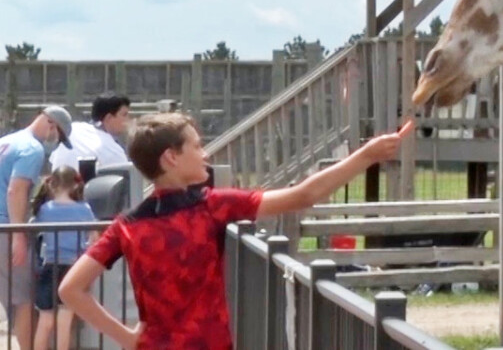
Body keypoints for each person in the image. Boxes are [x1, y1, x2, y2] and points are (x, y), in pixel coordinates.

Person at [58, 112, 406, 349]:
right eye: (196, 146)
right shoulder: (212, 206)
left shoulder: (127, 226)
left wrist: (127, 338)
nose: (204, 153)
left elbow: (70, 289)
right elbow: (304, 195)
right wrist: (366, 155)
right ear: (171, 158)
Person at [0, 106, 73, 350]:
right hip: (5, 228)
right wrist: (18, 234)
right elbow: (16, 190)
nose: (57, 142)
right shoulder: (32, 149)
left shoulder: (7, 142)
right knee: (23, 300)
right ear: (51, 124)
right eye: (59, 136)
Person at [31, 167, 96, 350]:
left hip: (50, 266)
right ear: (75, 185)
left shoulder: (44, 209)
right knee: (64, 321)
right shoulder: (84, 209)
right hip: (73, 268)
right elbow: (94, 238)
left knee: (45, 320)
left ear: (52, 184)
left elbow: (36, 231)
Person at [49, 92, 131, 171]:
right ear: (108, 118)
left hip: (56, 182)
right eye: (124, 115)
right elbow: (125, 181)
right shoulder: (113, 151)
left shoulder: (72, 128)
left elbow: (53, 160)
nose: (128, 119)